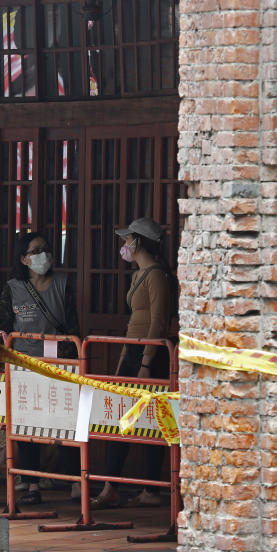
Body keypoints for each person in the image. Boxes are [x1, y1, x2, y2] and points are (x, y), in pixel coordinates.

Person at [91, 217, 175, 509]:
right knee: (120, 421)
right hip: (133, 352)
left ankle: (150, 489)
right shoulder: (138, 274)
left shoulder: (155, 275)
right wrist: (125, 358)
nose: (124, 245)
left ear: (138, 241)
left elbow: (158, 322)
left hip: (151, 355)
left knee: (152, 422)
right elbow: (134, 322)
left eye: (128, 239)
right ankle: (111, 485)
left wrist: (146, 362)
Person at [0, 232, 81, 504]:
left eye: (45, 250)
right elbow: (5, 327)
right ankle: (31, 484)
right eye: (35, 251)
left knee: (67, 426)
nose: (42, 255)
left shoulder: (63, 283)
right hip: (24, 365)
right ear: (23, 259)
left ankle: (74, 482)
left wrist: (73, 359)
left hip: (59, 366)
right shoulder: (12, 288)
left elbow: (72, 325)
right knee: (26, 427)